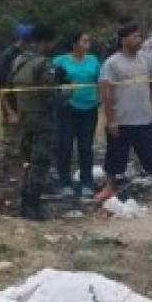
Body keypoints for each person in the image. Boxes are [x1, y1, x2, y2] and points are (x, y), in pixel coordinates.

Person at [99, 23, 152, 200]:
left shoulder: (146, 59)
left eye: (140, 36)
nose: (139, 40)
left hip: (145, 118)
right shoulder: (111, 63)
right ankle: (109, 187)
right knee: (114, 157)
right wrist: (111, 120)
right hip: (121, 120)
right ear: (123, 40)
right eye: (135, 37)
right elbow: (106, 93)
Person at [9, 23, 62, 221]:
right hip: (42, 118)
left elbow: (10, 89)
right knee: (40, 163)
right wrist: (67, 91)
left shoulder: (19, 60)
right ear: (45, 42)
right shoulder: (43, 64)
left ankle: (25, 204)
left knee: (28, 162)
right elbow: (50, 94)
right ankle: (33, 208)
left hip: (25, 117)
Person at [53, 32, 101, 198]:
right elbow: (53, 82)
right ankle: (64, 182)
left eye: (88, 40)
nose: (88, 43)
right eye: (84, 41)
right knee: (65, 145)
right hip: (68, 108)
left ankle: (86, 181)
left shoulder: (94, 60)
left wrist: (100, 98)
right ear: (74, 44)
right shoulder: (60, 61)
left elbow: (100, 80)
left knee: (86, 146)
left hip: (90, 107)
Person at [0, 22, 31, 163]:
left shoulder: (28, 55)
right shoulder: (7, 56)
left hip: (26, 104)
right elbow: (1, 86)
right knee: (11, 143)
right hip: (11, 103)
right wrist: (9, 111)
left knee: (25, 143)